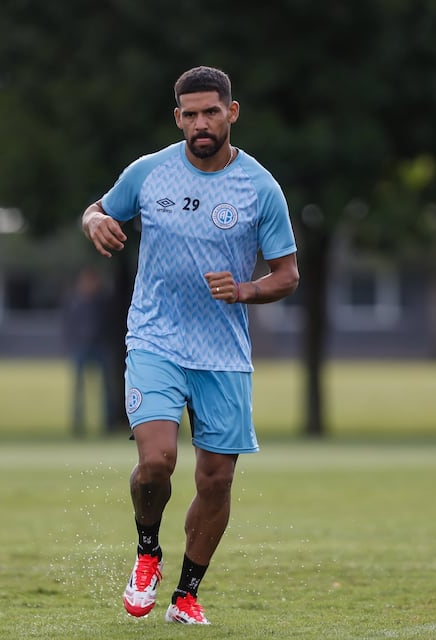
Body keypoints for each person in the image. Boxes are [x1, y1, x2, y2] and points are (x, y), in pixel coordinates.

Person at [81, 65, 299, 625]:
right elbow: (100, 208)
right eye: (190, 114)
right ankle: (148, 553)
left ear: (232, 112)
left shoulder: (259, 187)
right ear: (177, 117)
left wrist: (247, 289)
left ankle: (186, 595)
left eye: (211, 112)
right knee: (157, 461)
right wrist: (92, 221)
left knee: (216, 479)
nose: (201, 123)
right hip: (155, 337)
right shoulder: (149, 173)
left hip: (223, 352)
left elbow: (288, 275)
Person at [62, 266, 113, 436]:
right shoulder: (74, 301)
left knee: (106, 389)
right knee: (79, 390)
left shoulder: (102, 301)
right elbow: (68, 325)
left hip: (99, 346)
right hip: (80, 347)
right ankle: (78, 426)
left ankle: (108, 425)